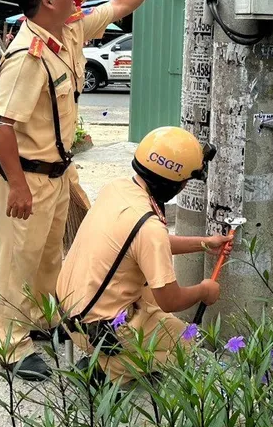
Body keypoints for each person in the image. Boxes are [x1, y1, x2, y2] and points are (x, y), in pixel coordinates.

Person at [0, 0, 176, 380]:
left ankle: (42, 321)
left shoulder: (68, 28)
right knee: (16, 261)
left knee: (49, 255)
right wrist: (16, 186)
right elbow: (2, 127)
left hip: (57, 172)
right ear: (48, 1)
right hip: (27, 176)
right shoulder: (27, 55)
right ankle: (12, 345)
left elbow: (121, 4)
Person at [56, 127, 227, 383]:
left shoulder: (118, 189)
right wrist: (205, 290)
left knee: (150, 296)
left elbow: (140, 244)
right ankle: (108, 368)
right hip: (102, 329)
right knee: (188, 343)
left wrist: (204, 243)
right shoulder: (150, 228)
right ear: (176, 183)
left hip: (69, 308)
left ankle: (101, 353)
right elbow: (171, 299)